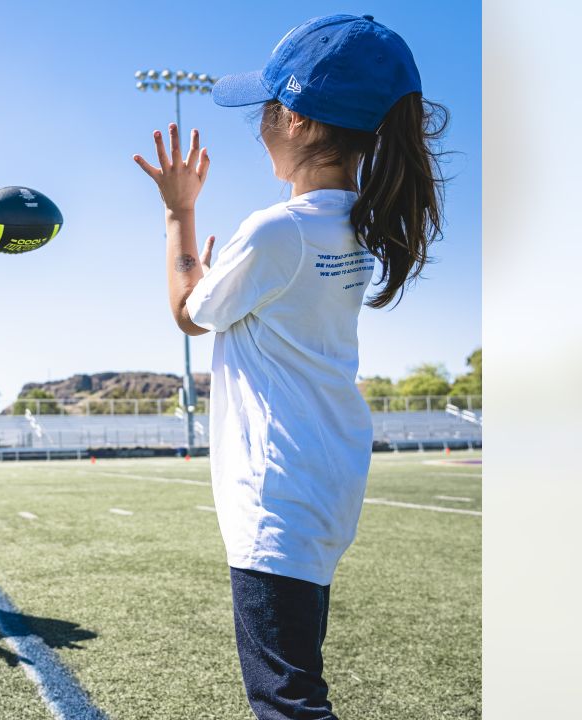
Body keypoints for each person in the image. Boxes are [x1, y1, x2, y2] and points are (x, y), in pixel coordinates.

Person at [133, 14, 445, 720]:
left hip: (276, 491)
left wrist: (178, 212)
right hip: (323, 479)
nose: (261, 126)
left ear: (298, 121)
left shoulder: (277, 230)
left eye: (266, 111)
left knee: (287, 701)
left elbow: (188, 311)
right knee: (297, 682)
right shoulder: (362, 222)